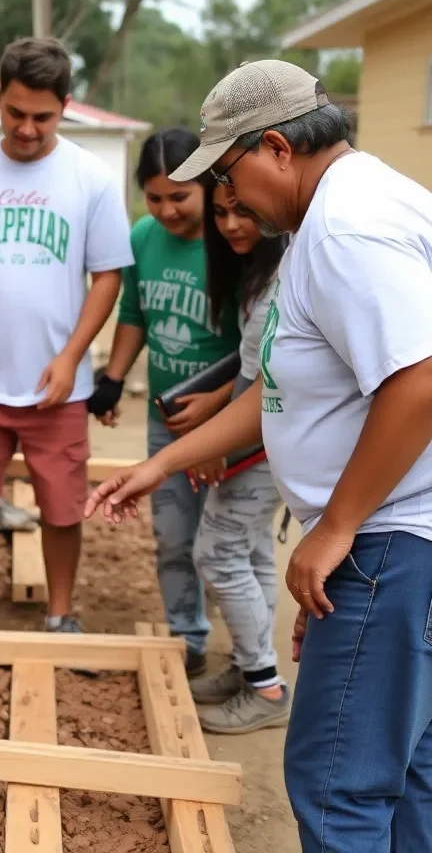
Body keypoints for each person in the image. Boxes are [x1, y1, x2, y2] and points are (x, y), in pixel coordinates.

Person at [84, 59, 432, 853]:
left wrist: (336, 529)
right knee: (394, 761)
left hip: (424, 529)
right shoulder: (338, 214)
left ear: (279, 148)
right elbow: (281, 390)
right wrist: (160, 464)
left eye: (229, 173)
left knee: (337, 781)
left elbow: (427, 374)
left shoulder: (351, 228)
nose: (228, 199)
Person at [0, 36, 133, 632]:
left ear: (65, 107)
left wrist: (74, 357)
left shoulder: (90, 178)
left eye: (41, 116)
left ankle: (60, 612)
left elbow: (108, 276)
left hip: (57, 386)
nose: (26, 128)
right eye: (15, 112)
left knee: (63, 508)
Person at [87, 128, 241, 676]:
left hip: (230, 420)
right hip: (167, 416)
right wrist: (112, 377)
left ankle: (250, 652)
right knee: (173, 536)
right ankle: (189, 637)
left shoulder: (233, 239)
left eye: (180, 196)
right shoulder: (143, 237)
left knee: (227, 543)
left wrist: (220, 408)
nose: (167, 210)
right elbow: (135, 314)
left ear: (205, 186)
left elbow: (258, 344)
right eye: (154, 198)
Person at [186, 173, 290, 733]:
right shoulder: (261, 272)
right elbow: (250, 375)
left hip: (266, 444)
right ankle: (253, 669)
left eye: (242, 211)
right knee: (250, 554)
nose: (230, 225)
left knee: (218, 553)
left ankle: (267, 689)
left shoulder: (279, 284)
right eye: (221, 213)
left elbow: (259, 389)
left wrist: (215, 444)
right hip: (270, 440)